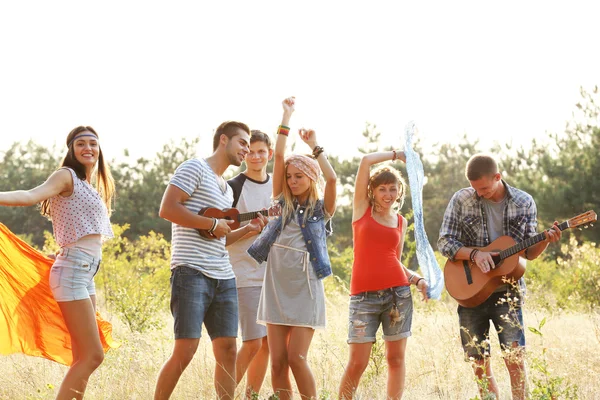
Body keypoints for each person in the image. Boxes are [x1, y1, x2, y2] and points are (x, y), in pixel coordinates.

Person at [0, 126, 115, 400]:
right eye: (81, 144)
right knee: (93, 355)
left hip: (85, 273)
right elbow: (29, 195)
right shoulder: (66, 176)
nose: (88, 148)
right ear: (71, 150)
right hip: (74, 272)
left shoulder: (89, 185)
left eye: (93, 144)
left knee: (82, 357)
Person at [154, 121, 267, 400]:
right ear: (224, 140)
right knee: (186, 349)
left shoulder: (227, 190)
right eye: (242, 143)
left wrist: (246, 230)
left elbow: (218, 235)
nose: (247, 150)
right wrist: (212, 221)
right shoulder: (194, 168)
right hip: (190, 271)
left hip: (224, 275)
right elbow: (167, 209)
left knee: (229, 349)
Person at [438, 153, 563, 400]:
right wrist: (474, 255)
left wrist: (546, 241)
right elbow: (445, 242)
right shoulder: (462, 199)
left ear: (498, 177)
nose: (479, 193)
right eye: (475, 188)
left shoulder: (524, 202)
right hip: (469, 293)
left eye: (484, 188)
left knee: (515, 361)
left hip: (508, 292)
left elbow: (528, 253)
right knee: (478, 362)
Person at [247, 97, 337, 400]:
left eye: (299, 176)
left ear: (310, 178)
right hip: (276, 285)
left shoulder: (320, 209)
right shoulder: (281, 202)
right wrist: (286, 117)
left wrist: (315, 147)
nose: (292, 180)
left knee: (297, 357)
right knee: (278, 361)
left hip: (305, 286)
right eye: (289, 176)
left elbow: (333, 178)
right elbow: (280, 156)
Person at [338, 150, 429, 400]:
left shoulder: (401, 222)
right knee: (358, 363)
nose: (388, 194)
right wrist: (396, 154)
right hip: (363, 298)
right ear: (372, 191)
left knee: (396, 359)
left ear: (399, 191)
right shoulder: (361, 210)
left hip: (397, 295)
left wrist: (418, 279)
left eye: (392, 189)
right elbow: (366, 161)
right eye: (382, 189)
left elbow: (395, 261)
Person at [227, 129, 274, 399]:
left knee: (267, 344)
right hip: (244, 273)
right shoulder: (233, 187)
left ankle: (251, 396)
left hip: (272, 275)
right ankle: (224, 394)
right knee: (252, 341)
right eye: (250, 151)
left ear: (269, 153)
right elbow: (219, 235)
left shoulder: (278, 186)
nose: (255, 156)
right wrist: (249, 229)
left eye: (261, 151)